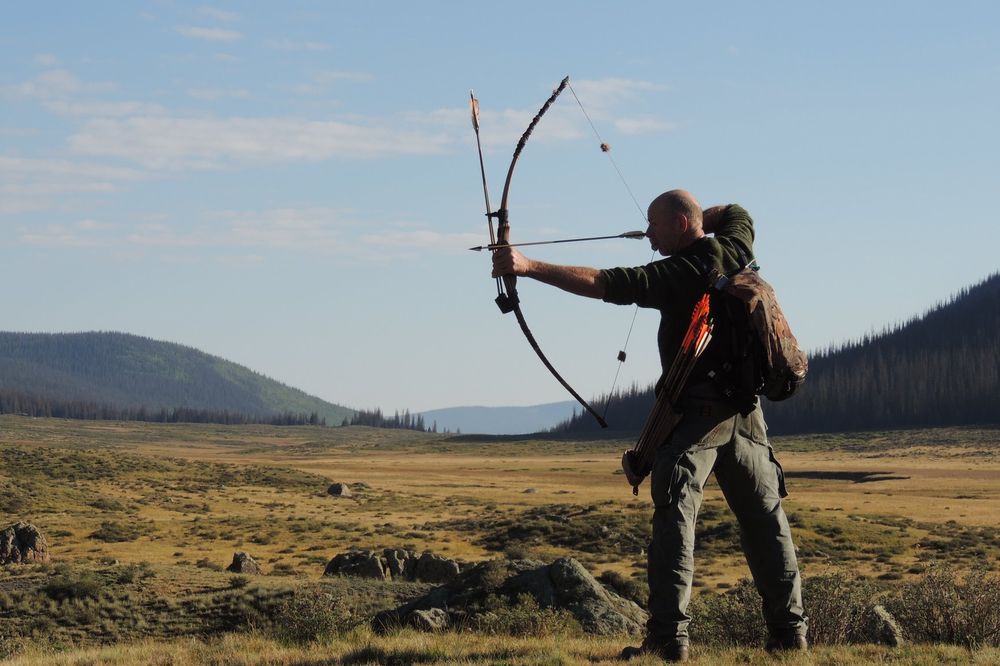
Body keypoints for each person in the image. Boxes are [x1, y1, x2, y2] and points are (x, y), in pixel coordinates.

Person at [491, 190, 807, 662]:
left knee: (675, 520)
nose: (649, 234)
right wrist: (698, 217)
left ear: (680, 224)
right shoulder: (736, 245)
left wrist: (526, 266)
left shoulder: (681, 272)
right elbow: (736, 212)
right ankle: (789, 634)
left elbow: (607, 282)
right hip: (746, 413)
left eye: (655, 225)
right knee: (765, 521)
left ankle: (668, 638)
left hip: (698, 417)